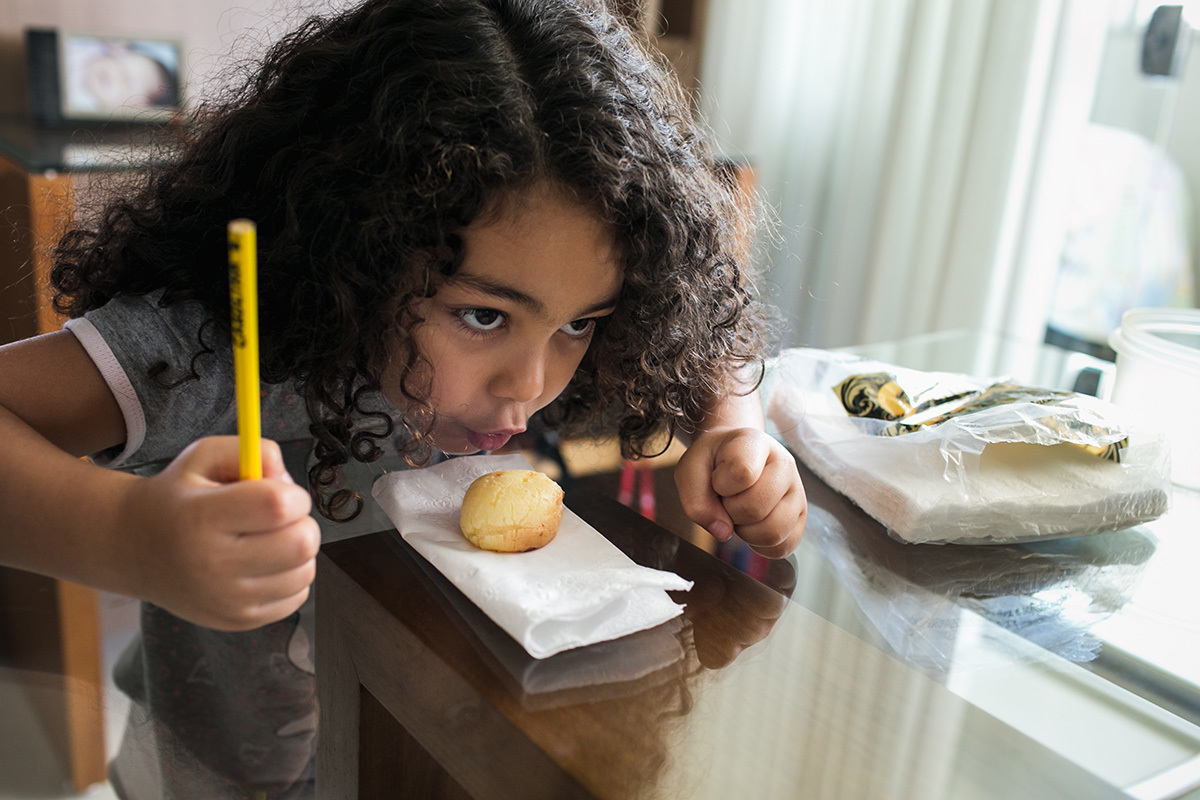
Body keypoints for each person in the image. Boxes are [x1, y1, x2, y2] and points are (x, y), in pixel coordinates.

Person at [0, 0, 806, 795]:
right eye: (483, 315)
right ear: (355, 244)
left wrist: (735, 427)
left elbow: (709, 341)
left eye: (582, 322)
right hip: (212, 777)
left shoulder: (560, 362)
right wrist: (132, 538)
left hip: (411, 756)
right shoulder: (213, 352)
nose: (530, 388)